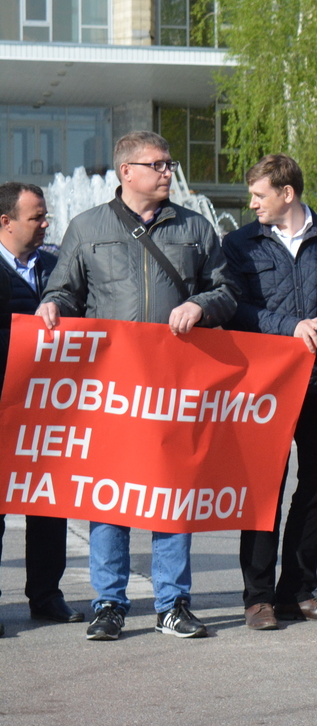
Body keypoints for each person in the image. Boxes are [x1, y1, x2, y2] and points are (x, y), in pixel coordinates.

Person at [38, 130, 237, 642]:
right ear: (127, 172)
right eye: (159, 164)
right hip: (113, 388)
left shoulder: (194, 227)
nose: (169, 172)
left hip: (176, 385)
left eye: (170, 164)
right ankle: (109, 604)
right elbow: (64, 288)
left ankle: (174, 603)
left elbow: (227, 291)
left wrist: (203, 305)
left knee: (173, 496)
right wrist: (52, 305)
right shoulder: (87, 227)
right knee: (110, 498)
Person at [222, 154, 317, 631]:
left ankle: (299, 592)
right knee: (264, 489)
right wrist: (291, 326)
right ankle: (258, 597)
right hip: (265, 385)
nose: (252, 203)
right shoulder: (240, 245)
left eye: (259, 195)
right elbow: (234, 309)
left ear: (287, 193)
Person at [0, 182, 77, 626]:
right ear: (5, 222)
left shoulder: (55, 267)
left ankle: (46, 595)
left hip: (51, 412)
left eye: (46, 215)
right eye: (36, 217)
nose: (46, 223)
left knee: (49, 506)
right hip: (4, 407)